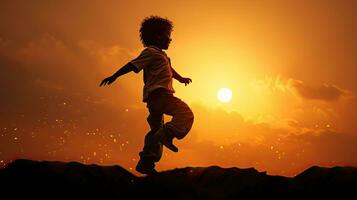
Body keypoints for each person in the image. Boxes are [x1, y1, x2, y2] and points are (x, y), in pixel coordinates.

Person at [100, 16, 194, 175]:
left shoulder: (164, 56)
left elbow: (170, 70)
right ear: (158, 36)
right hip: (161, 96)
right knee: (185, 114)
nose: (170, 39)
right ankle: (168, 134)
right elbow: (132, 65)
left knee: (156, 130)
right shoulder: (150, 52)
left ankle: (146, 162)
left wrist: (181, 78)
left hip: (154, 100)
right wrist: (114, 76)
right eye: (167, 35)